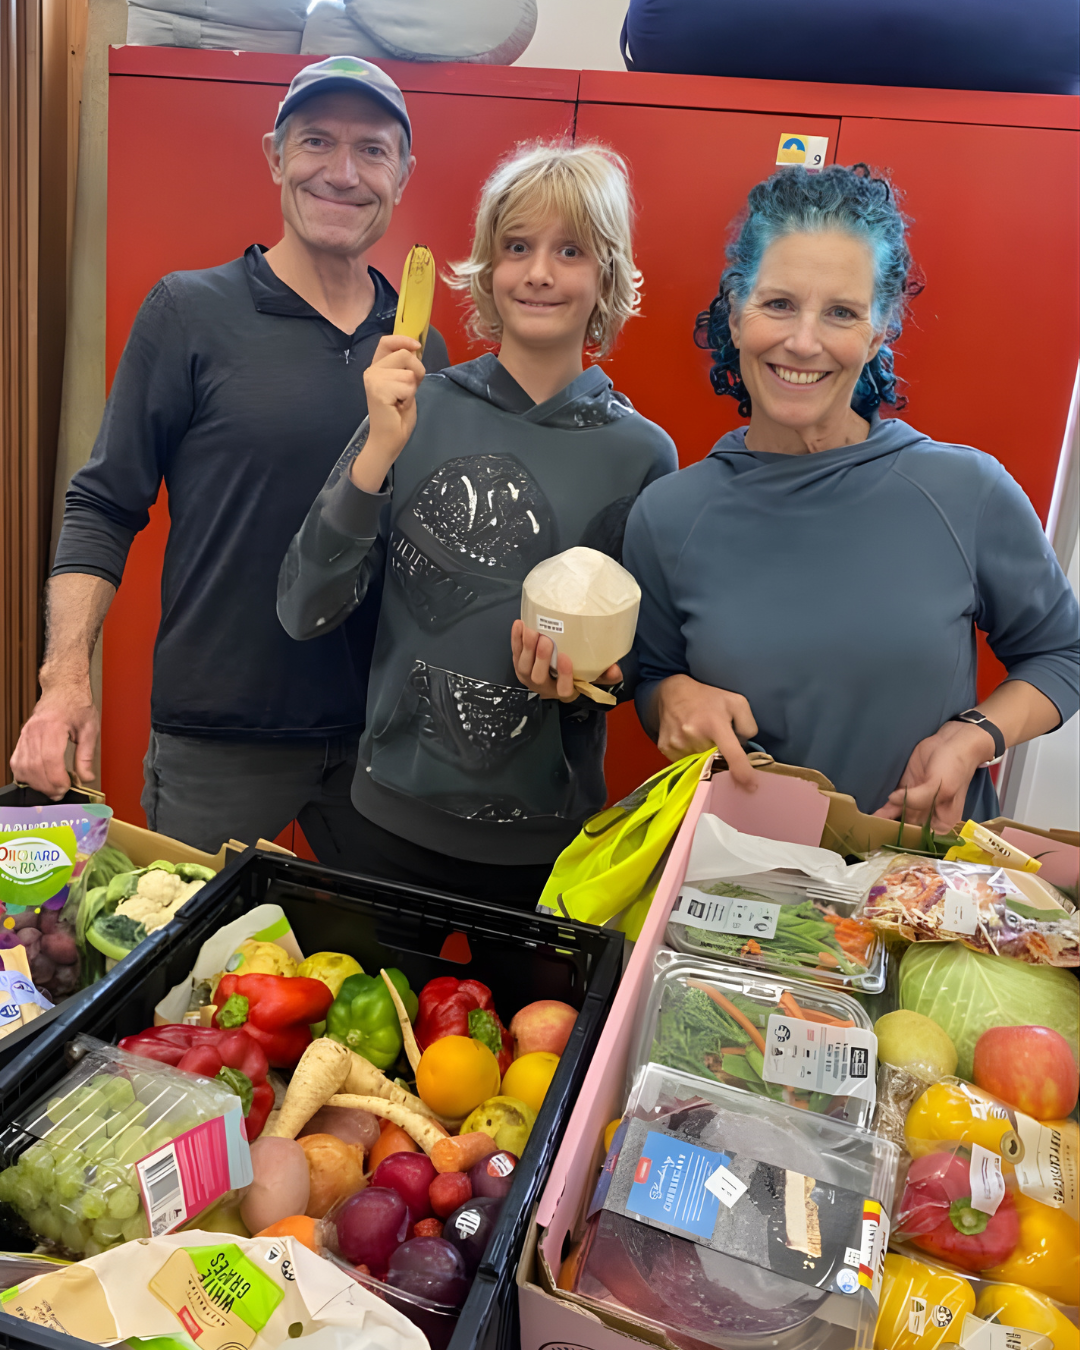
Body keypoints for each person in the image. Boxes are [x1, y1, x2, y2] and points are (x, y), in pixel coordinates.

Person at [10, 57, 449, 855]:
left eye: (372, 150)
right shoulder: (188, 313)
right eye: (316, 141)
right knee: (184, 937)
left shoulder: (420, 347)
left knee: (370, 940)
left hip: (378, 747)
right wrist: (63, 679)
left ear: (403, 173)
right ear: (275, 157)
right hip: (215, 740)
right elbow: (104, 503)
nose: (342, 172)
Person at [278, 142, 677, 903]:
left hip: (549, 848)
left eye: (570, 251)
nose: (539, 272)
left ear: (607, 276)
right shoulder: (413, 408)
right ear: (489, 270)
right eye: (517, 247)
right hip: (386, 823)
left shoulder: (644, 456)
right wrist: (377, 454)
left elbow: (638, 662)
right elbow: (303, 608)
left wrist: (588, 683)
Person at [622, 164, 1079, 830]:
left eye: (840, 312)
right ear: (736, 311)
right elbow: (653, 676)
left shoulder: (966, 492)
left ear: (879, 330)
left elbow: (1063, 653)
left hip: (915, 881)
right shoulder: (668, 516)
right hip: (734, 882)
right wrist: (671, 697)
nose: (803, 342)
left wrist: (974, 735)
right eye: (779, 304)